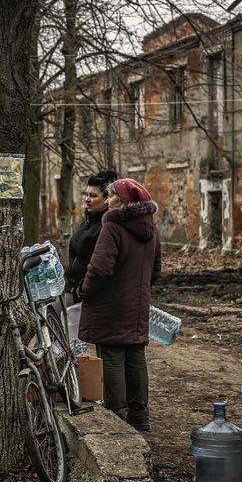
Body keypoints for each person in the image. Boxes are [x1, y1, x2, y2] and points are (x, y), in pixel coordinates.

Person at [79, 178, 161, 432]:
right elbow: (155, 271)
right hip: (137, 305)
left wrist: (85, 290)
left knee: (112, 356)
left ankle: (119, 416)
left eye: (112, 196)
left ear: (122, 201)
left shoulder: (113, 226)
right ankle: (140, 416)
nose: (107, 200)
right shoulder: (151, 229)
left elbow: (100, 268)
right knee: (136, 357)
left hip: (110, 305)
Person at [66, 170, 118, 296]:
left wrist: (84, 290)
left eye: (93, 196)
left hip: (86, 295)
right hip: (71, 288)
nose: (87, 199)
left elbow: (102, 269)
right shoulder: (87, 221)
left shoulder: (107, 227)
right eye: (86, 194)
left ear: (106, 199)